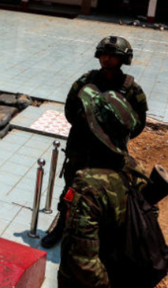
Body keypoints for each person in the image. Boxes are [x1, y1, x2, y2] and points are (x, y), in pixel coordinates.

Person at [41, 36, 148, 248]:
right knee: (71, 192)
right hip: (81, 149)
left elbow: (138, 125)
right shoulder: (85, 82)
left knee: (104, 197)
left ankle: (98, 238)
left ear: (123, 59)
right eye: (104, 54)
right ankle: (61, 228)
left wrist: (112, 133)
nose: (106, 59)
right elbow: (70, 112)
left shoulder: (132, 90)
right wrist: (85, 118)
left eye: (112, 55)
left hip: (109, 155)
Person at [58, 84, 150, 288]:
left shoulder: (88, 186)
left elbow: (82, 261)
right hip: (119, 269)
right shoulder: (136, 170)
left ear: (95, 131)